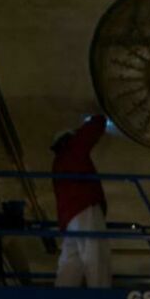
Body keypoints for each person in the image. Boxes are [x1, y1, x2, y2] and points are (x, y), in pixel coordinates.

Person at [51, 115, 112, 288]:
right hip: (85, 208)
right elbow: (89, 133)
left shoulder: (58, 164)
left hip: (70, 219)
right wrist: (100, 117)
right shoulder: (71, 152)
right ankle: (100, 295)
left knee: (71, 260)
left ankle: (62, 297)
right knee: (95, 253)